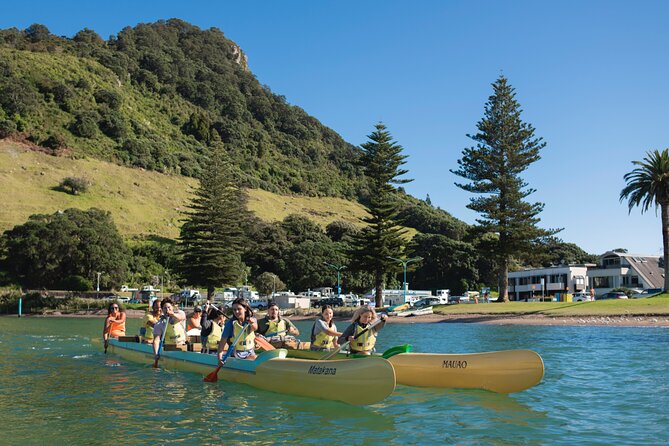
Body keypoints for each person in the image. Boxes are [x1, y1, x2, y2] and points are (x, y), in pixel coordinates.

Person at [217, 297, 258, 364]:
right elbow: (222, 344)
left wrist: (252, 323)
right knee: (254, 358)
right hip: (236, 354)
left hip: (250, 352)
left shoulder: (252, 320)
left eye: (239, 309)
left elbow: (255, 328)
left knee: (255, 357)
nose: (236, 312)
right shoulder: (230, 324)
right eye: (234, 309)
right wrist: (219, 359)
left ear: (245, 309)